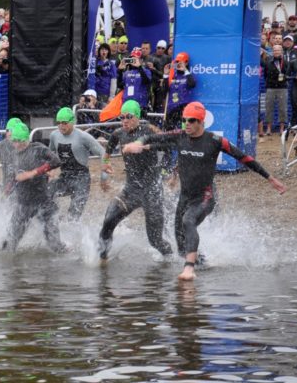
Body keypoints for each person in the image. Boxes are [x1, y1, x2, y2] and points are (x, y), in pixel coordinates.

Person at [122, 101, 286, 281]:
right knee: (180, 244)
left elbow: (245, 158)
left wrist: (270, 178)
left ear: (201, 122)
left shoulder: (215, 141)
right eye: (184, 121)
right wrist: (138, 143)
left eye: (192, 121)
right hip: (185, 198)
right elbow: (153, 138)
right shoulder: (180, 135)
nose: (187, 125)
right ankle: (202, 264)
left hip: (205, 197)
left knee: (189, 220)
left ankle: (189, 268)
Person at [97, 100, 172, 261]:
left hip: (151, 192)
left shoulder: (149, 130)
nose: (124, 120)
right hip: (131, 190)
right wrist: (105, 166)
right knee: (108, 222)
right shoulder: (119, 133)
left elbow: (168, 146)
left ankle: (173, 258)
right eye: (122, 117)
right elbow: (108, 152)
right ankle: (102, 261)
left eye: (128, 117)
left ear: (137, 116)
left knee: (155, 241)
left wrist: (166, 171)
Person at [2, 121, 66, 253]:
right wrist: (4, 194)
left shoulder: (38, 148)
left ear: (25, 139)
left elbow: (56, 161)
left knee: (55, 246)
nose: (16, 145)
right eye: (14, 141)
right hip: (23, 204)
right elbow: (12, 178)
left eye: (19, 141)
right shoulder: (13, 155)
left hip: (43, 202)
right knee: (9, 243)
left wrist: (34, 172)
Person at [47, 107, 105, 219]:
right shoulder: (54, 135)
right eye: (58, 123)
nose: (61, 126)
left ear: (72, 122)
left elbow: (103, 153)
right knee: (46, 192)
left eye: (64, 123)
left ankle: (75, 230)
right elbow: (50, 154)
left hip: (82, 179)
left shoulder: (83, 137)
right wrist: (49, 171)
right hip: (65, 177)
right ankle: (55, 217)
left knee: (73, 216)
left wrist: (104, 176)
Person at [164, 51, 197, 130]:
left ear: (186, 63)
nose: (178, 64)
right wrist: (165, 75)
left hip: (183, 108)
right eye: (177, 62)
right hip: (171, 108)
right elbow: (165, 90)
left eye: (181, 62)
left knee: (183, 133)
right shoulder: (172, 74)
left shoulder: (188, 75)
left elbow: (192, 84)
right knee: (169, 133)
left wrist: (185, 70)